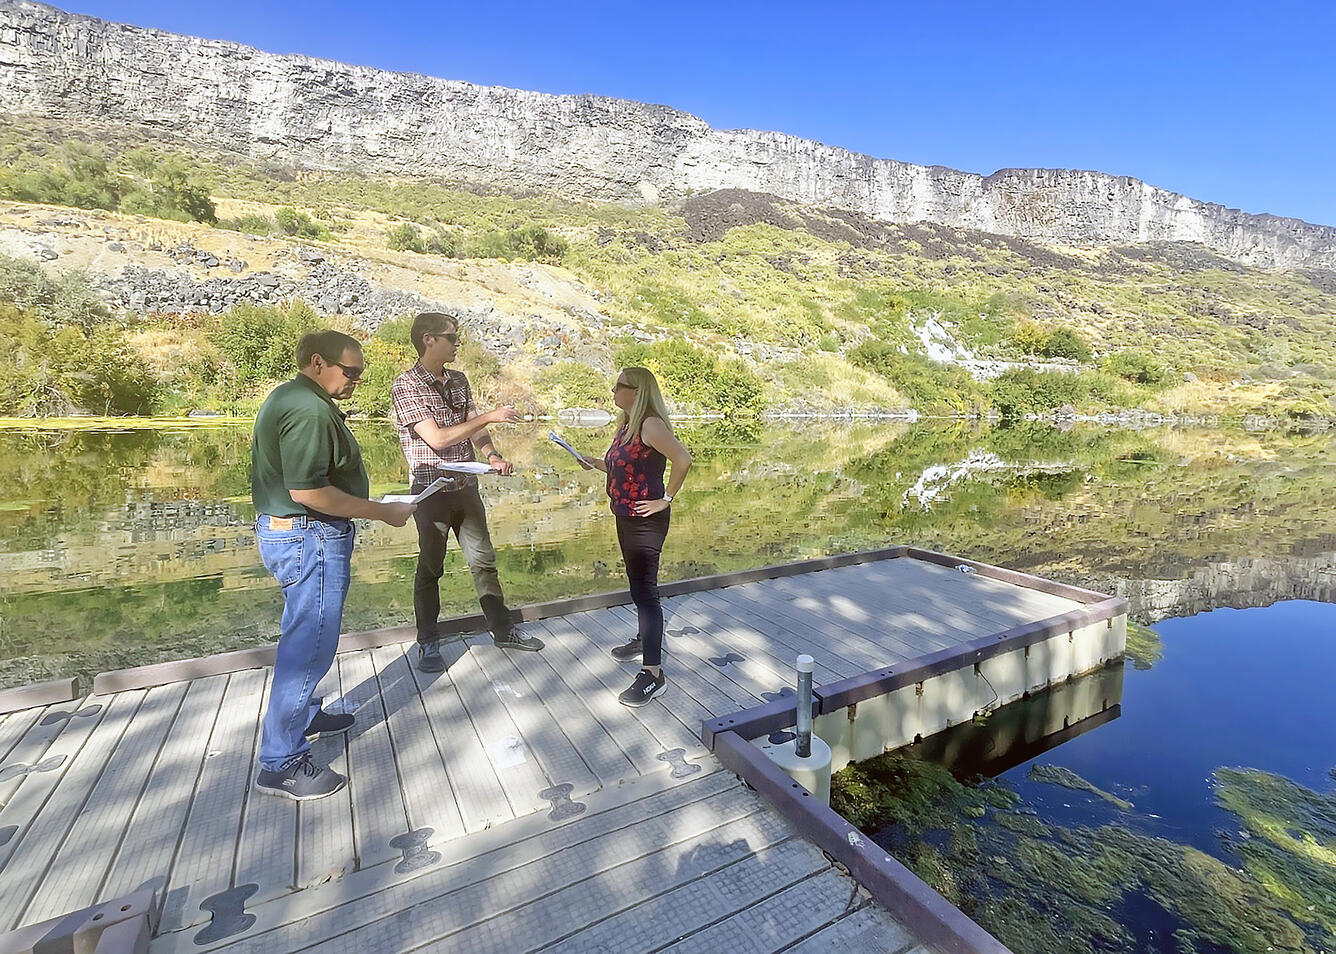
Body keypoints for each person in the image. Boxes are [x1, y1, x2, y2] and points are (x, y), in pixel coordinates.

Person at [251, 330, 416, 801]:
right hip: (310, 537)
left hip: (295, 534)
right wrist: (383, 511)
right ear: (318, 362)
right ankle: (280, 763)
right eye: (351, 371)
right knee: (309, 646)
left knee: (303, 634)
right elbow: (308, 492)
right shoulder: (309, 410)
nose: (357, 380)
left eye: (361, 373)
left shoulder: (292, 396)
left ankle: (304, 716)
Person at [391, 311, 544, 673]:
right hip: (431, 491)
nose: (457, 343)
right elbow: (437, 439)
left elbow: (474, 429)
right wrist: (489, 416)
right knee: (431, 567)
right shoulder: (406, 385)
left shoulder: (459, 379)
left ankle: (503, 631)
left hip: (466, 488)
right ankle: (428, 643)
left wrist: (492, 455)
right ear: (429, 340)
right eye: (452, 337)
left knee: (484, 562)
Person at [578, 367, 692, 707]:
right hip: (625, 515)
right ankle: (644, 639)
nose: (613, 391)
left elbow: (683, 460)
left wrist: (665, 499)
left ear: (637, 391)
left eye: (619, 386)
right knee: (636, 586)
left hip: (646, 520)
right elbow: (625, 467)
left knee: (646, 592)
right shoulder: (627, 426)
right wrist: (595, 462)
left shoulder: (650, 424)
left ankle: (653, 674)